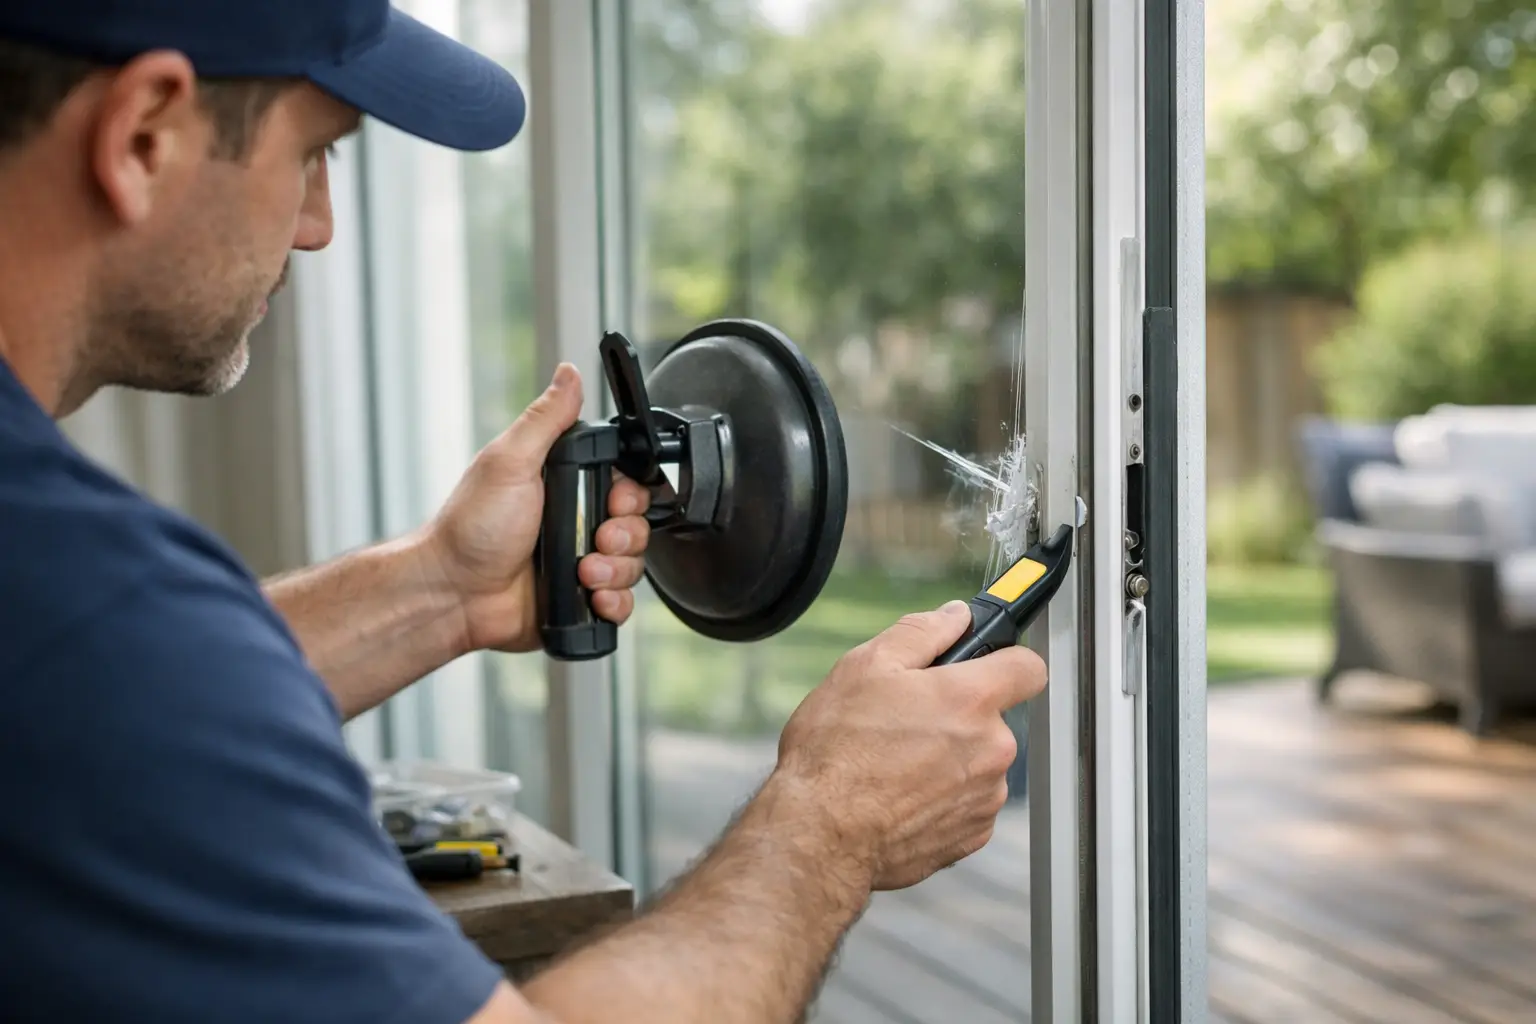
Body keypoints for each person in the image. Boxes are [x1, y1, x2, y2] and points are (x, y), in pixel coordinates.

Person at [0, 2, 1048, 1021]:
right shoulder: (80, 610)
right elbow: (114, 683)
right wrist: (833, 818)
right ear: (142, 135)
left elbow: (130, 703)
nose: (317, 226)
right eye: (313, 151)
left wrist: (443, 589)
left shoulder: (63, 618)